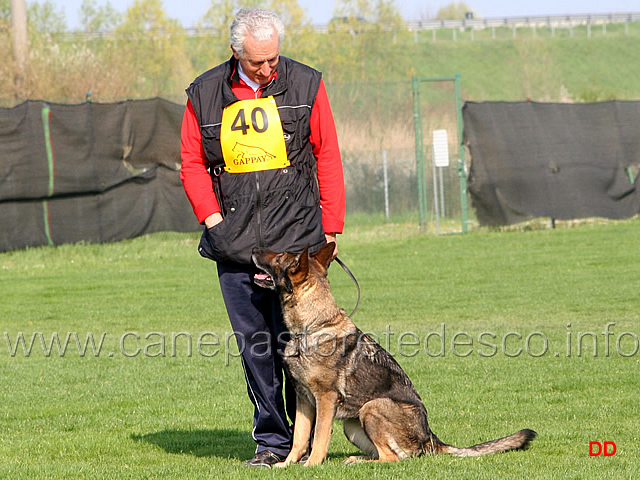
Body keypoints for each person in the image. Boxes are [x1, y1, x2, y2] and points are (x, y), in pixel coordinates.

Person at [180, 8, 345, 467]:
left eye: (274, 59)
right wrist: (212, 219)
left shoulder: (307, 83)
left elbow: (326, 153)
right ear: (236, 52)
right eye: (258, 63)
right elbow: (192, 162)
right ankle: (273, 443)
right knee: (257, 348)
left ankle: (309, 444)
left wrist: (332, 224)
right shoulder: (204, 92)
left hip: (296, 244)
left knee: (307, 347)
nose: (269, 69)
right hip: (236, 244)